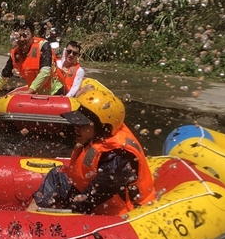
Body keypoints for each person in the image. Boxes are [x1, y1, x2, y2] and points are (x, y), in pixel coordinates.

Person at [31, 85, 156, 214]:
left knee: (76, 205)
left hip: (121, 214)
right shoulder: (106, 128)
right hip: (92, 195)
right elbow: (103, 109)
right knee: (57, 174)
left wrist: (65, 212)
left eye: (83, 124)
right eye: (77, 122)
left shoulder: (117, 158)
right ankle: (29, 214)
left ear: (102, 128)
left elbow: (90, 200)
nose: (76, 126)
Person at [0, 17, 62, 108]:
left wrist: (30, 90)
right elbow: (3, 77)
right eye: (18, 36)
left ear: (33, 35)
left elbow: (45, 72)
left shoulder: (43, 46)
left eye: (25, 35)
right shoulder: (15, 54)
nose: (22, 39)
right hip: (36, 93)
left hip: (56, 92)